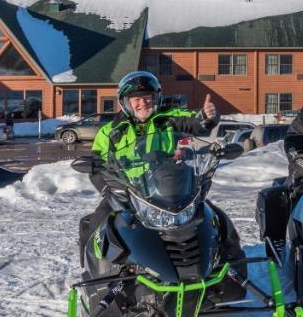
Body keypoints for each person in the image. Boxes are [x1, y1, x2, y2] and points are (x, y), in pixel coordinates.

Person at [79, 71, 218, 250]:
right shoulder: (110, 131)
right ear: (125, 102)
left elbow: (193, 121)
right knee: (99, 222)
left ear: (156, 98)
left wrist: (206, 117)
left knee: (212, 217)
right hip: (127, 190)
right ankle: (95, 272)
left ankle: (231, 265)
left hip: (167, 188)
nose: (143, 103)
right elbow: (97, 165)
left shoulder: (168, 119)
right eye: (136, 99)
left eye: (147, 97)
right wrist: (110, 191)